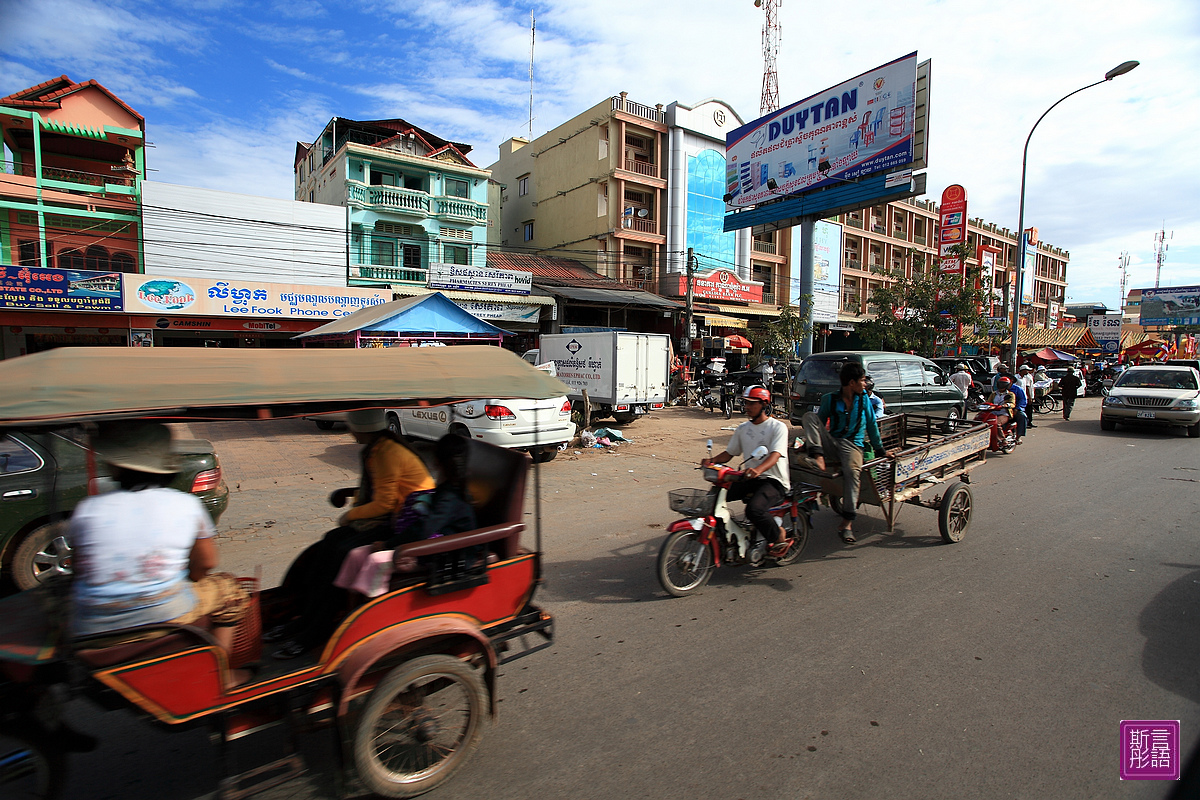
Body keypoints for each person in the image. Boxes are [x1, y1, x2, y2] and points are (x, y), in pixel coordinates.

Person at [70, 422, 250, 684]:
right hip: (166, 616)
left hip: (92, 627)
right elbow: (206, 564)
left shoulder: (88, 508)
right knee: (230, 591)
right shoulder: (186, 504)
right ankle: (218, 676)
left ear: (116, 466)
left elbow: (79, 570)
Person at [272, 409, 435, 658]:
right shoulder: (377, 448)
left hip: (404, 523)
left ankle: (317, 630)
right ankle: (303, 620)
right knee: (327, 545)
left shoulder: (387, 452)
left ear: (359, 428)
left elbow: (386, 503)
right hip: (390, 517)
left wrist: (349, 516)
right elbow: (375, 491)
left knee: (340, 553)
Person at [335, 433, 479, 598]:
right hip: (429, 542)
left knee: (376, 561)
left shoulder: (451, 497)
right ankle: (343, 602)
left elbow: (424, 528)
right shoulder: (445, 489)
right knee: (355, 554)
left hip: (446, 554)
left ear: (436, 461)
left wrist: (388, 544)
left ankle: (370, 605)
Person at [799, 363, 894, 544]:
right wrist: (810, 444)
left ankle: (847, 523)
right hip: (832, 443)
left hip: (853, 446)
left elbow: (872, 426)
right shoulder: (830, 399)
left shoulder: (865, 400)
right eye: (862, 380)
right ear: (852, 382)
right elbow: (817, 424)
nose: (865, 384)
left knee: (852, 474)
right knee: (809, 417)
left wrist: (880, 450)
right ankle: (817, 457)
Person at [700, 385, 796, 558]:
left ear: (764, 404)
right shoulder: (743, 429)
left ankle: (779, 536)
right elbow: (730, 453)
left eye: (752, 403)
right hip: (750, 478)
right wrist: (711, 461)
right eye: (746, 403)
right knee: (714, 498)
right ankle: (728, 537)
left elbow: (775, 455)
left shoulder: (778, 427)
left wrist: (758, 469)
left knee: (754, 510)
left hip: (774, 480)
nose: (747, 407)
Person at [976, 376, 1016, 450]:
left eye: (1003, 384)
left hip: (1004, 413)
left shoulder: (1010, 394)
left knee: (996, 424)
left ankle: (1003, 440)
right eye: (1000, 383)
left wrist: (1006, 405)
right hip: (992, 412)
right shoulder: (994, 394)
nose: (1001, 385)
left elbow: (1012, 404)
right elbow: (988, 402)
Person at [1017, 364, 1037, 430]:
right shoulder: (1016, 378)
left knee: (1028, 410)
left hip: (1025, 397)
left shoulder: (1025, 378)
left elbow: (1027, 387)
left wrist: (1030, 396)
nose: (1027, 372)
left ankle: (1028, 422)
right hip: (1020, 397)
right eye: (1026, 370)